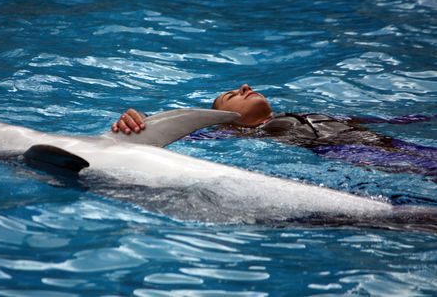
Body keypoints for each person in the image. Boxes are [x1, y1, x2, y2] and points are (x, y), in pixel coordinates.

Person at [111, 84, 437, 179]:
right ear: (224, 119)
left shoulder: (307, 114)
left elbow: (395, 121)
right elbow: (175, 130)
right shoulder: (237, 134)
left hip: (391, 143)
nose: (245, 86)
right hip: (355, 155)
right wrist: (137, 119)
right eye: (232, 96)